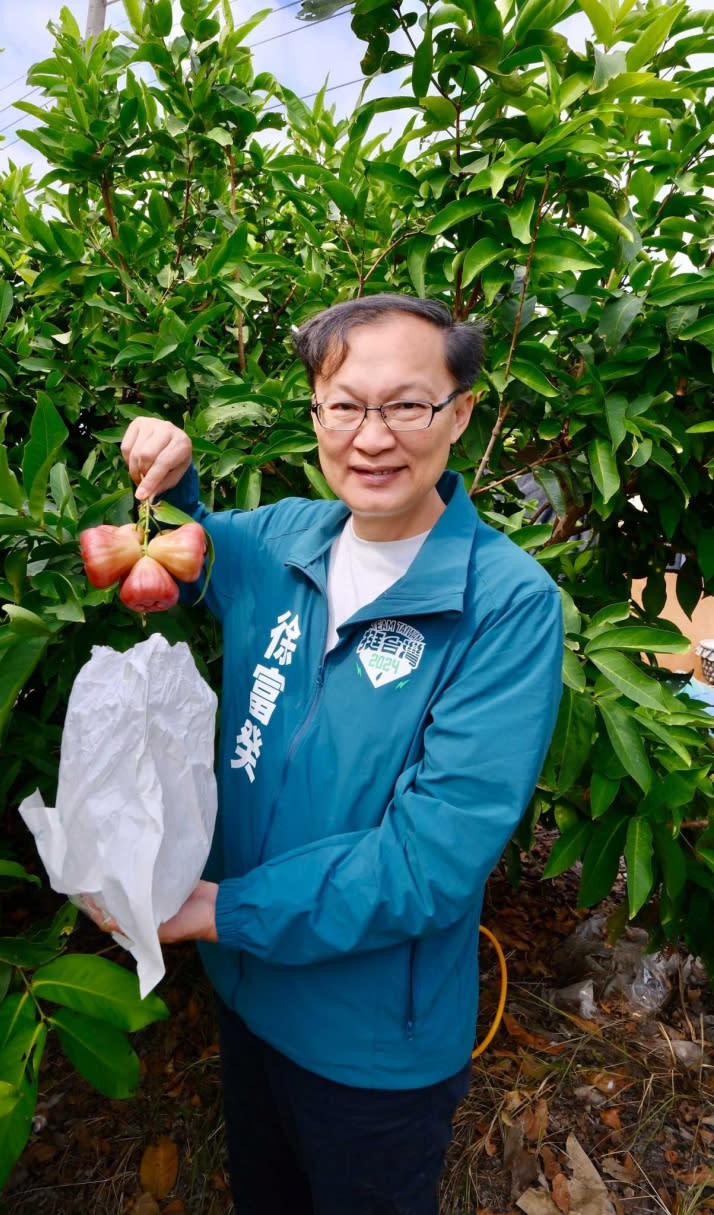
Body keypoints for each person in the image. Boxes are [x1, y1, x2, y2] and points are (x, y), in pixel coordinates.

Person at [119, 294, 564, 1215]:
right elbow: (187, 547)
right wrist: (169, 469)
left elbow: (427, 860)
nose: (373, 436)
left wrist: (220, 907)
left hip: (371, 1048)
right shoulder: (286, 539)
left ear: (460, 413)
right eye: (345, 404)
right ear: (315, 412)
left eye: (408, 405)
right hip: (247, 994)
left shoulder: (508, 606)